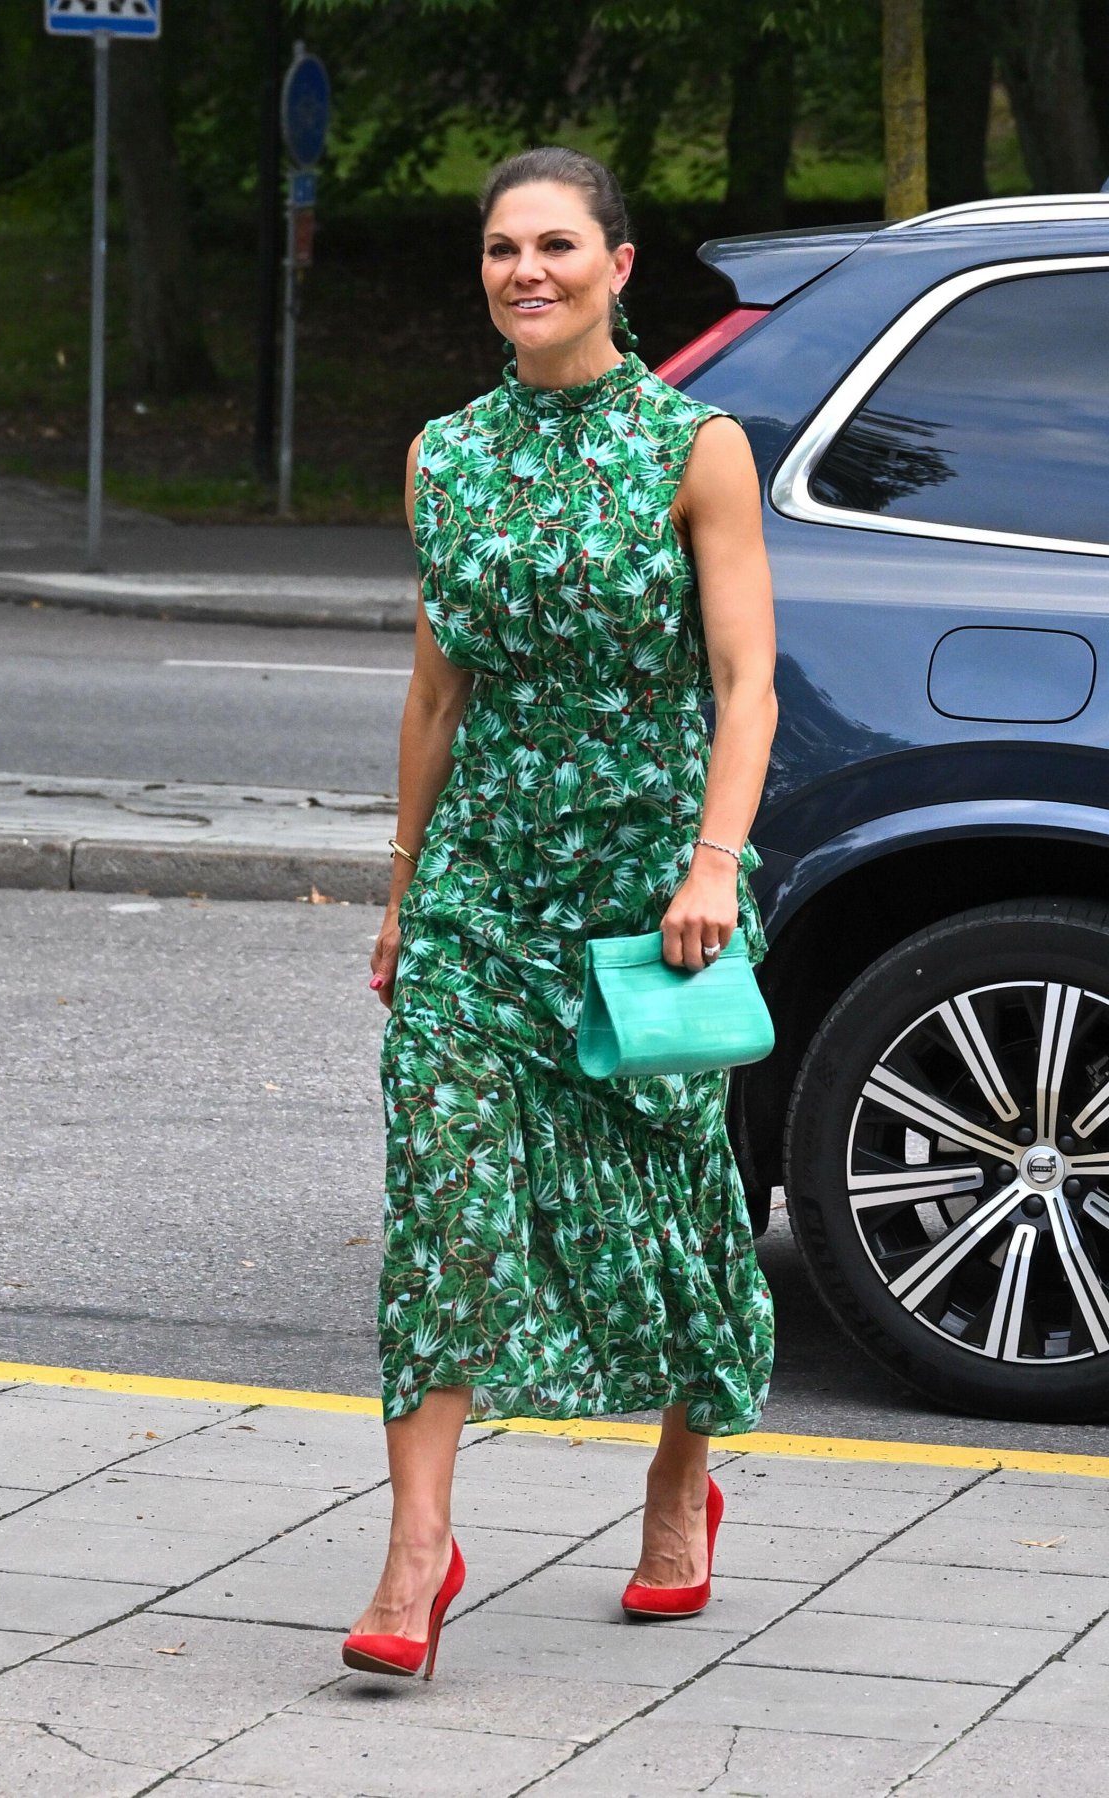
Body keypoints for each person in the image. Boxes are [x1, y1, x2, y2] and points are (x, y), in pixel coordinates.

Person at [343, 145, 777, 1680]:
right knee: (444, 1203)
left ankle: (678, 1484)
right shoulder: (442, 456)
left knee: (669, 1207)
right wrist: (404, 895)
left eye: (557, 246)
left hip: (645, 899)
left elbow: (746, 680)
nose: (526, 271)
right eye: (502, 249)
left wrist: (714, 860)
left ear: (619, 265)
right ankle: (416, 1550)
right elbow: (434, 688)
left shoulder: (692, 445)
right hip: (479, 894)